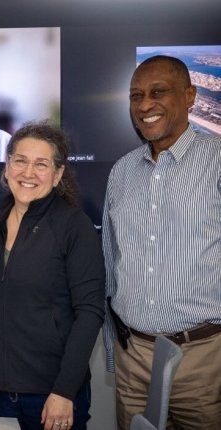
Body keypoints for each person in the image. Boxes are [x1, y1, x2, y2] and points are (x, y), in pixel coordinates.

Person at [0, 121, 105, 430]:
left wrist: (64, 390)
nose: (28, 173)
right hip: (0, 389)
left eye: (41, 164)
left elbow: (89, 313)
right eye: (20, 161)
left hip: (53, 394)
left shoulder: (74, 227)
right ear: (7, 167)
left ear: (58, 174)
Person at [103, 55, 221, 429]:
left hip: (202, 360)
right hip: (133, 359)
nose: (144, 105)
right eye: (136, 96)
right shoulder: (121, 173)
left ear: (190, 96)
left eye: (158, 92)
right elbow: (111, 265)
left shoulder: (216, 162)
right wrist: (114, 351)